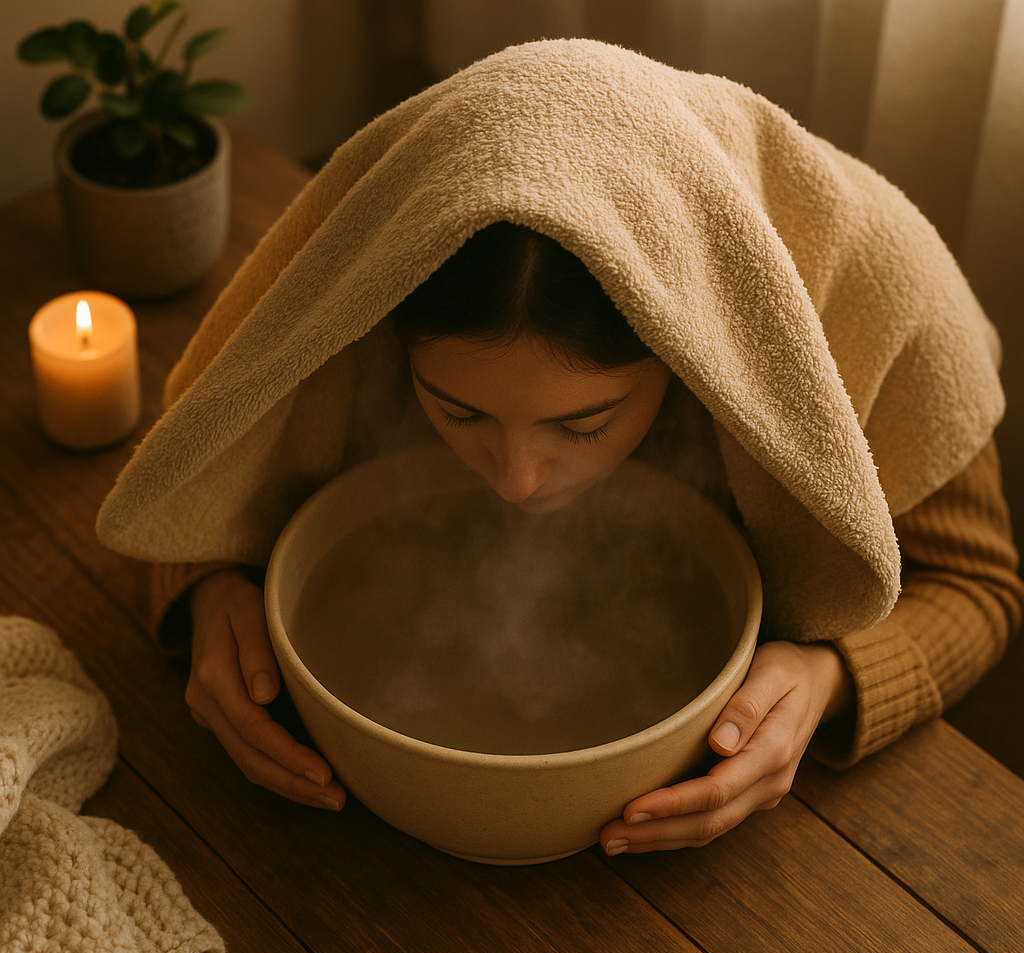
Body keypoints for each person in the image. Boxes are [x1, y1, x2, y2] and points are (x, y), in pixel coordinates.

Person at [100, 39, 1023, 857]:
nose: (517, 479)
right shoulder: (358, 277)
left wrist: (831, 678)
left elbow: (978, 586)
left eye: (582, 424)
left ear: (685, 347)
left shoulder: (879, 293)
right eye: (456, 412)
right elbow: (199, 458)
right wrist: (209, 589)